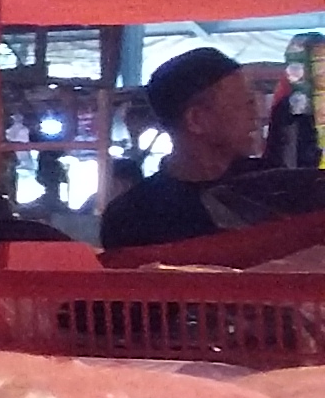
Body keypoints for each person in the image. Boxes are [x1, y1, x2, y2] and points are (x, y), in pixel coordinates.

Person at [99, 45, 325, 261]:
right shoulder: (131, 218)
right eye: (245, 104)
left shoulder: (281, 188)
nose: (257, 115)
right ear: (197, 120)